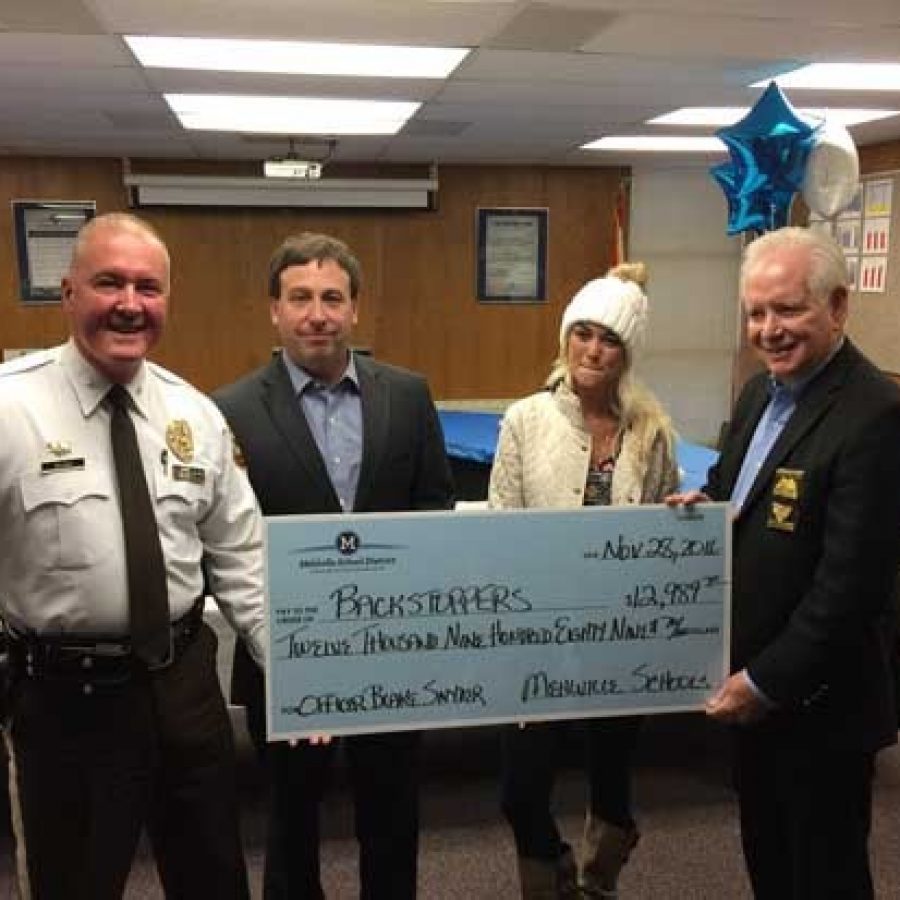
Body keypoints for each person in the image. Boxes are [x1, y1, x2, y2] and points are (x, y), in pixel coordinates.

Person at [0, 212, 266, 899]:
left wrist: (306, 682)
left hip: (184, 685)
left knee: (215, 880)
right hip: (66, 701)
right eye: (108, 283)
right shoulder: (10, 409)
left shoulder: (196, 415)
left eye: (148, 287)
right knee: (74, 886)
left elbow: (243, 559)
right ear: (68, 294)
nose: (129, 304)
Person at [213, 231, 454, 899]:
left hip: (392, 655)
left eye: (331, 298)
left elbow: (434, 513)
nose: (316, 313)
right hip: (284, 660)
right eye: (299, 298)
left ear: (354, 309)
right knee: (291, 823)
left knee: (393, 815)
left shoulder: (407, 396)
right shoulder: (227, 412)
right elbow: (224, 542)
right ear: (274, 310)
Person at [667, 226, 900, 899]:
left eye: (788, 309)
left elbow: (849, 589)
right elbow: (737, 487)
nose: (769, 329)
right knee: (769, 863)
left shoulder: (875, 416)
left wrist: (764, 682)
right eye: (756, 312)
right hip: (754, 695)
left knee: (824, 877)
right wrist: (704, 504)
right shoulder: (758, 396)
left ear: (838, 307)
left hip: (817, 707)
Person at [489, 263, 679, 899]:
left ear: (628, 354)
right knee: (520, 792)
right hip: (537, 640)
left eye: (609, 339)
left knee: (614, 784)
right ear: (565, 339)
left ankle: (599, 883)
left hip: (619, 642)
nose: (593, 350)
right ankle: (553, 879)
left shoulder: (652, 434)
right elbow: (501, 528)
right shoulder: (524, 420)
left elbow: (661, 539)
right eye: (583, 334)